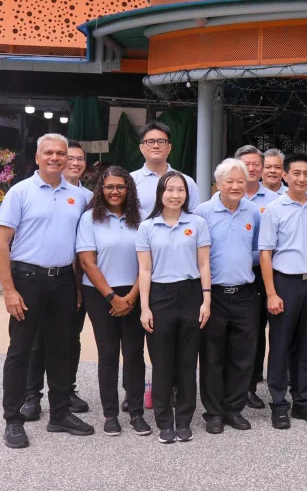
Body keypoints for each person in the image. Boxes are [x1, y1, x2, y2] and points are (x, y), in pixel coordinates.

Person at [1, 134, 94, 449]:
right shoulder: (20, 192)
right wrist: (9, 290)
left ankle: (60, 414)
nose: (56, 157)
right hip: (27, 280)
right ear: (38, 157)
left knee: (60, 349)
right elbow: (2, 242)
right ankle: (13, 419)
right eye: (49, 152)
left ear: (68, 158)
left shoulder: (80, 196)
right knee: (20, 351)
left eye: (61, 153)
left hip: (64, 282)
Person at [136, 171, 212, 443]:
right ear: (160, 194)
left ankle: (184, 420)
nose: (175, 195)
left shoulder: (198, 223)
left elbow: (204, 264)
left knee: (187, 361)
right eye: (169, 190)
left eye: (180, 190)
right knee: (162, 363)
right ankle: (164, 421)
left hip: (191, 293)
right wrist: (145, 307)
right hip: (160, 295)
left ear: (186, 194)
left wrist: (206, 300)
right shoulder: (147, 227)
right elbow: (145, 270)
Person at [76, 166, 151, 438]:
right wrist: (112, 297)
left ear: (129, 189)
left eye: (121, 186)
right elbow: (87, 261)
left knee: (134, 354)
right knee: (107, 355)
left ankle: (136, 412)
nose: (115, 191)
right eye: (109, 187)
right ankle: (110, 414)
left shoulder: (141, 218)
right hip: (100, 294)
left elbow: (148, 261)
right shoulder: (89, 220)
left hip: (135, 291)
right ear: (101, 189)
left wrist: (131, 296)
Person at [258, 153, 307, 429]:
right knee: (280, 345)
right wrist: (271, 293)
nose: (302, 178)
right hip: (284, 283)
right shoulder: (274, 210)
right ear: (286, 176)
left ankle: (303, 402)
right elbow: (266, 254)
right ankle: (279, 403)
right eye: (296, 173)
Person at [22, 140, 93, 421]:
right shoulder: (33, 191)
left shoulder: (87, 198)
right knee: (37, 339)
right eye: (70, 158)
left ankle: (66, 392)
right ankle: (31, 395)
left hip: (72, 279)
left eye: (79, 159)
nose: (74, 163)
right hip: (38, 277)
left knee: (68, 339)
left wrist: (78, 285)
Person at [194, 159, 261, 435]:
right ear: (218, 184)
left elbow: (258, 250)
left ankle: (234, 409)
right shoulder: (203, 212)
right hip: (214, 295)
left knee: (243, 356)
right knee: (212, 356)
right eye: (229, 181)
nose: (235, 186)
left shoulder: (253, 212)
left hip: (245, 294)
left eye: (240, 181)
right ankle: (214, 412)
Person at [234, 145, 282, 410]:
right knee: (249, 332)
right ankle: (246, 387)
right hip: (240, 276)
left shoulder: (277, 199)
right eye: (246, 164)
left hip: (269, 274)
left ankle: (260, 380)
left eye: (256, 164)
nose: (252, 169)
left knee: (270, 328)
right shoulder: (230, 196)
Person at [132, 121, 201, 219]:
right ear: (141, 148)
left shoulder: (186, 182)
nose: (156, 146)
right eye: (150, 142)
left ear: (169, 147)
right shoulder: (130, 181)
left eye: (161, 141)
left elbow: (195, 217)